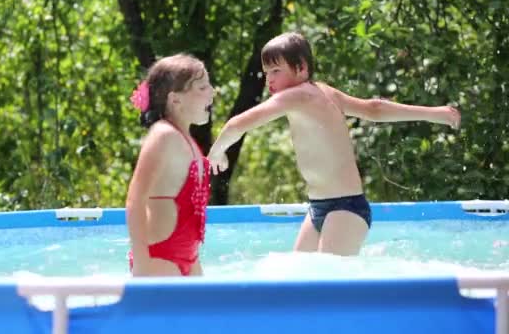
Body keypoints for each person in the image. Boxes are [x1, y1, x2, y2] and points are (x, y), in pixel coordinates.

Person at [208, 32, 460, 256]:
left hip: (346, 206)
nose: (268, 81)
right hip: (318, 207)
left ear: (302, 68)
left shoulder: (298, 95)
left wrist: (216, 153)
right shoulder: (324, 91)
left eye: (276, 71)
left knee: (324, 282)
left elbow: (236, 124)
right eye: (266, 73)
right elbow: (375, 109)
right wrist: (434, 113)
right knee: (298, 278)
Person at [125, 54, 215, 276]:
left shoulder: (187, 140)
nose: (212, 92)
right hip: (158, 258)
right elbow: (135, 200)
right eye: (203, 87)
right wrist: (141, 262)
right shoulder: (163, 135)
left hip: (189, 258)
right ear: (175, 100)